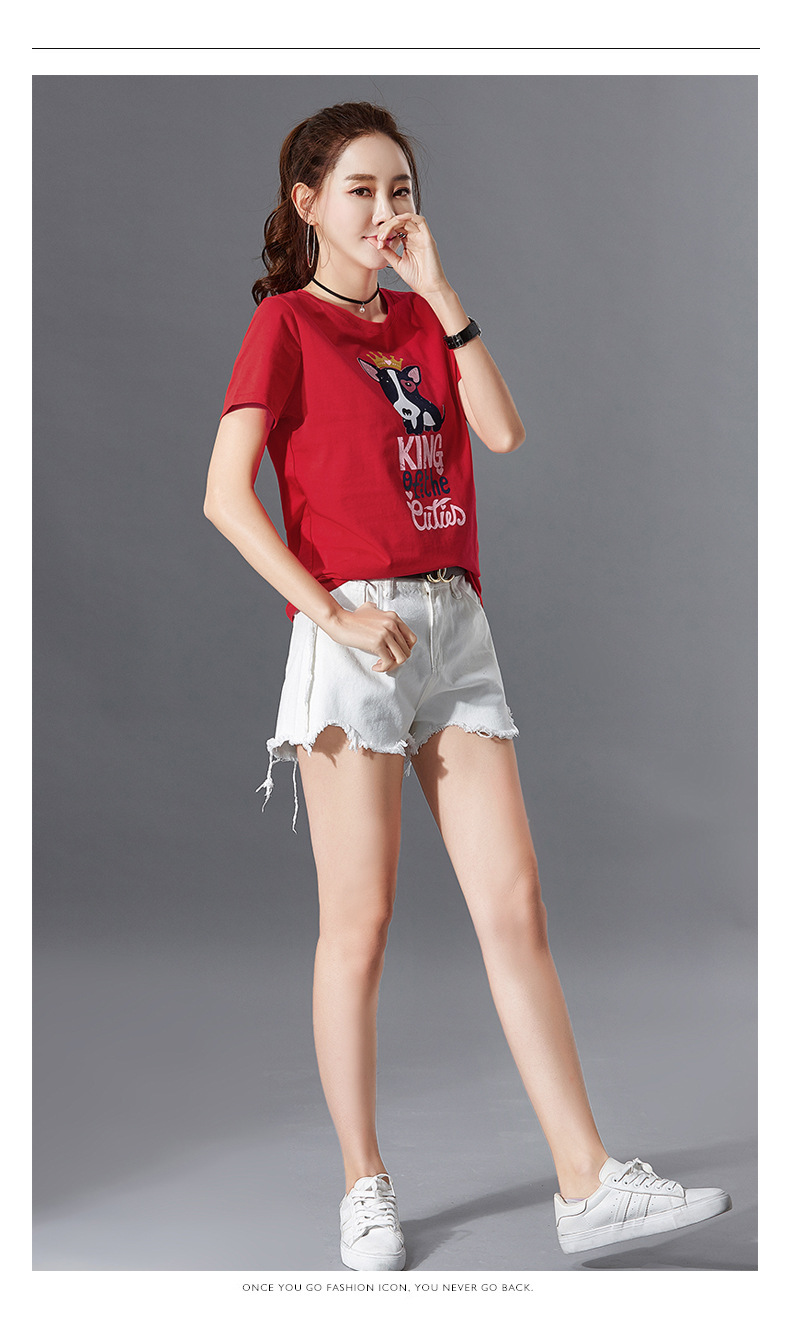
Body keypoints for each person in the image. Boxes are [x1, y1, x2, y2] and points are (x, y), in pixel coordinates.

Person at [204, 100, 731, 1270]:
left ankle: (586, 1180)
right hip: (355, 632)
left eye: (400, 189)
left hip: (454, 625)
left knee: (514, 903)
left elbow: (499, 432)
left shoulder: (419, 318)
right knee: (360, 922)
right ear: (306, 204)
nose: (384, 210)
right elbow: (224, 496)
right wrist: (329, 611)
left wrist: (440, 292)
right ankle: (363, 1181)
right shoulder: (285, 325)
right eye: (360, 190)